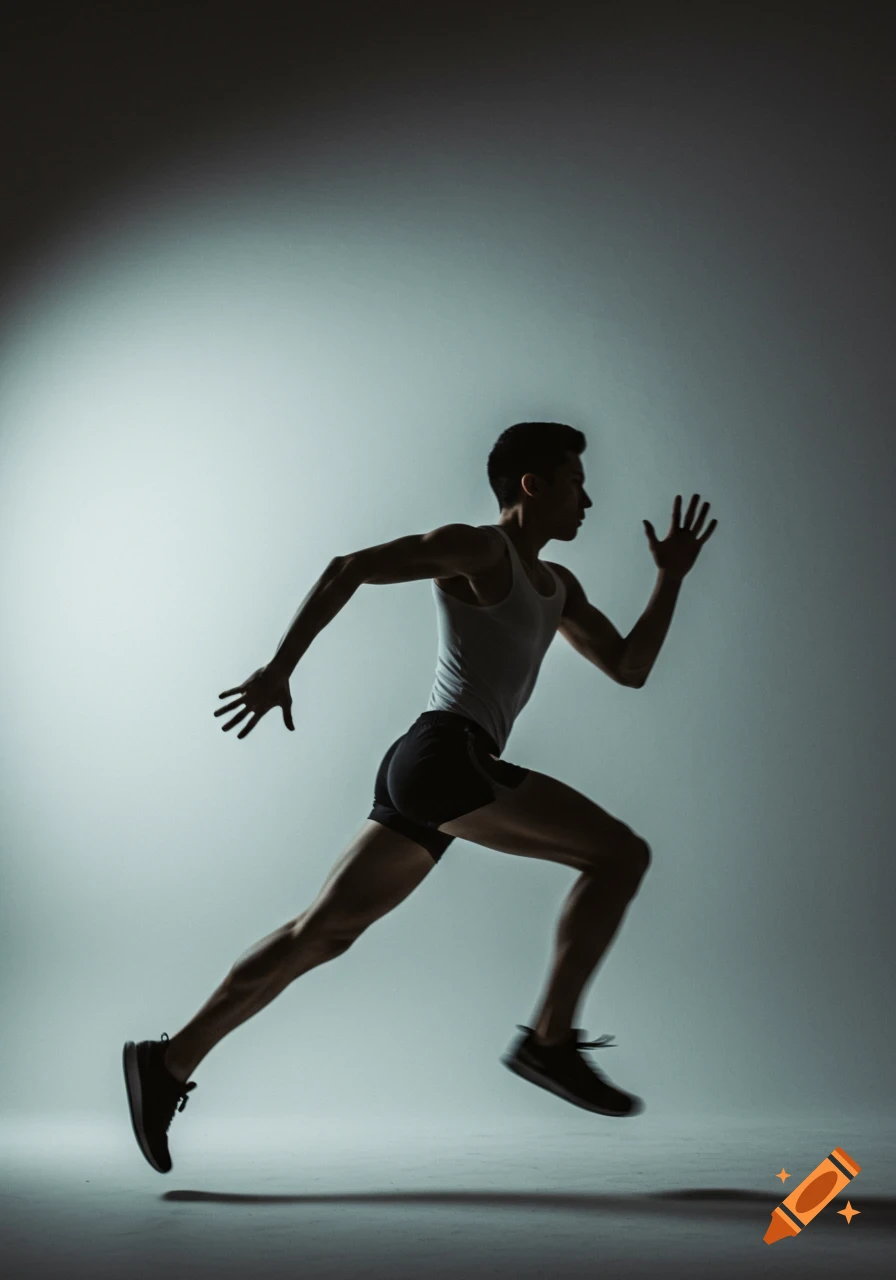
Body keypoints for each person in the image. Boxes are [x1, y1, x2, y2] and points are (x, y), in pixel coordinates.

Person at [123, 421, 717, 1172]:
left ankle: (167, 1062)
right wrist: (279, 669)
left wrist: (671, 577)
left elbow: (630, 666)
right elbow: (351, 567)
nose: (588, 499)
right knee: (619, 855)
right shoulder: (479, 549)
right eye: (575, 481)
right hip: (445, 758)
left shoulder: (559, 589)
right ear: (532, 486)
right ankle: (550, 1041)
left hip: (434, 765)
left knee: (320, 934)